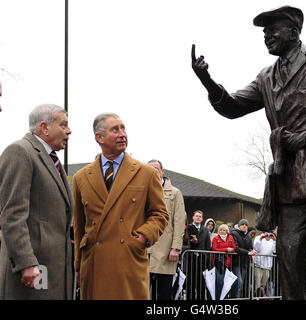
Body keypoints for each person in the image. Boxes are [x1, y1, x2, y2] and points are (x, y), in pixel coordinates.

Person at [191, 5, 306, 300]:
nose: (267, 36)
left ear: (294, 31)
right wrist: (207, 80)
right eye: (264, 32)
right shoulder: (266, 77)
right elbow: (233, 106)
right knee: (288, 253)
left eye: (272, 30)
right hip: (288, 178)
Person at [72, 113, 169, 300]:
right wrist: (78, 264)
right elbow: (79, 226)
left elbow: (160, 214)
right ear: (99, 137)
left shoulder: (146, 173)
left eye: (123, 128)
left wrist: (141, 238)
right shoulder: (81, 177)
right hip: (93, 265)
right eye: (115, 129)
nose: (122, 134)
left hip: (128, 262)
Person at [0, 104, 73, 299]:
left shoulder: (51, 159)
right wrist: (26, 262)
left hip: (52, 270)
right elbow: (12, 214)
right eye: (63, 124)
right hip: (34, 271)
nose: (69, 130)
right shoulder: (20, 152)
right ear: (44, 127)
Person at [147, 159, 186, 300]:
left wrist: (176, 247)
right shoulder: (141, 191)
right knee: (141, 291)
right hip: (145, 249)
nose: (153, 171)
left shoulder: (175, 193)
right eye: (149, 169)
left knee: (163, 293)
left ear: (162, 172)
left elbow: (180, 221)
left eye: (156, 168)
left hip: (165, 250)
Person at [186, 210, 211, 299]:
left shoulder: (205, 230)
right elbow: (184, 242)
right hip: (191, 259)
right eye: (196, 216)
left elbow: (208, 246)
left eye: (200, 216)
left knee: (201, 283)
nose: (198, 217)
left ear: (202, 219)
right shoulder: (188, 228)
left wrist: (207, 258)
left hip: (202, 260)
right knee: (190, 283)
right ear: (193, 217)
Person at [230, 219, 257, 298]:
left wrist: (252, 250)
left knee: (241, 284)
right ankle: (234, 298)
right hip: (236, 262)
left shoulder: (248, 235)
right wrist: (248, 252)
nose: (244, 226)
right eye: (242, 224)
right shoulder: (234, 233)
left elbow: (250, 247)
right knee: (239, 282)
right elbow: (236, 248)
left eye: (246, 225)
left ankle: (237, 297)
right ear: (239, 226)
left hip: (245, 263)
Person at [211, 224, 236, 299]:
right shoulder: (215, 238)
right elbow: (214, 249)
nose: (222, 231)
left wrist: (229, 249)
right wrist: (226, 249)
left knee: (227, 283)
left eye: (224, 230)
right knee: (219, 282)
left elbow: (234, 248)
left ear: (227, 231)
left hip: (228, 263)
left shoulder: (230, 237)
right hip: (218, 263)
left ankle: (225, 297)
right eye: (221, 230)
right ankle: (218, 297)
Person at [253, 231, 277, 297]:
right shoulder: (258, 238)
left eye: (270, 233)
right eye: (267, 233)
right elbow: (256, 248)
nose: (268, 235)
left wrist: (275, 240)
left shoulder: (272, 240)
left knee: (263, 286)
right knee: (257, 285)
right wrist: (261, 238)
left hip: (267, 266)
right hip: (258, 265)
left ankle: (260, 297)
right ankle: (256, 297)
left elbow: (275, 250)